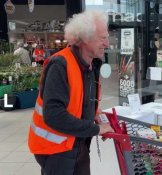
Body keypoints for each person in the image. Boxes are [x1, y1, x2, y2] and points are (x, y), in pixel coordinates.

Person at [28, 10, 114, 175]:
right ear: (84, 39)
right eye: (103, 38)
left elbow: (80, 100)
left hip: (76, 143)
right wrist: (96, 129)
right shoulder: (60, 65)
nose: (107, 44)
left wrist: (95, 113)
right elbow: (54, 115)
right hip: (56, 150)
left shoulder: (91, 65)